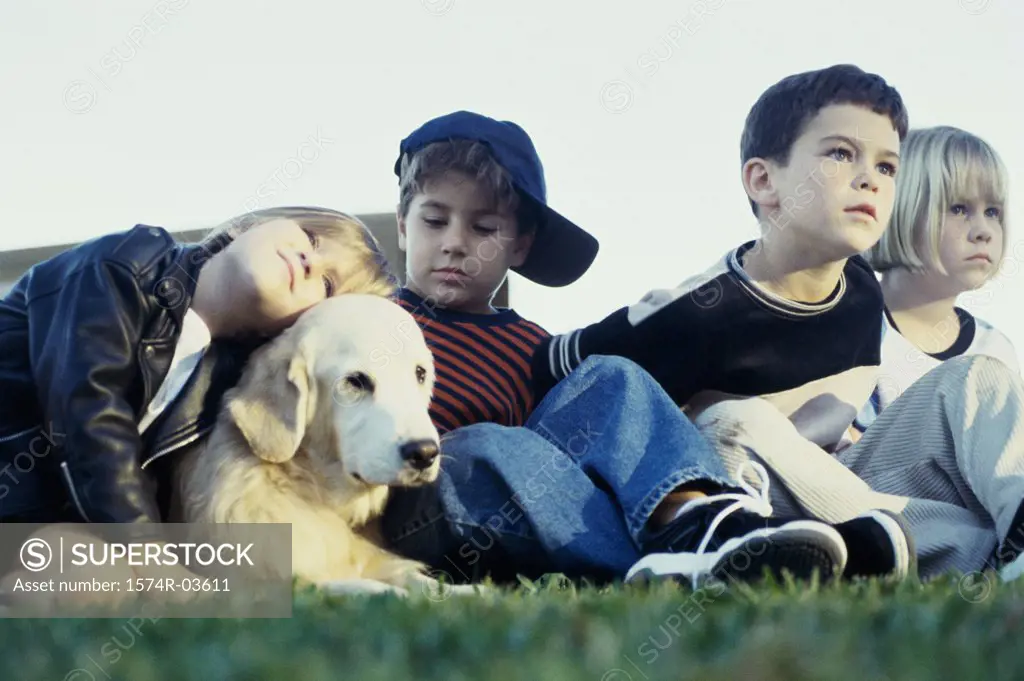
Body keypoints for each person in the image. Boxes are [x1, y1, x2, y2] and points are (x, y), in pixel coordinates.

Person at [532, 63, 1024, 582]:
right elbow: (560, 368)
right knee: (735, 422)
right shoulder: (695, 310)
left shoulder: (861, 289)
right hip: (754, 498)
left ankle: (1000, 537)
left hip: (843, 483)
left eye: (887, 167)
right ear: (763, 180)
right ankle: (965, 552)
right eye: (840, 153)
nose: (868, 179)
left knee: (978, 377)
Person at [382, 111, 897, 590]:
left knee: (611, 375)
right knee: (482, 445)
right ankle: (718, 551)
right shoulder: (369, 316)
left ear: (519, 246)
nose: (454, 242)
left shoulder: (535, 349)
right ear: (403, 225)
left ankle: (708, 528)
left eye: (483, 228)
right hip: (416, 500)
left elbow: (571, 458)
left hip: (524, 513)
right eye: (434, 220)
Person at [0, 206, 396, 527]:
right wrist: (148, 554)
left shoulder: (223, 382)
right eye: (311, 238)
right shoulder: (129, 263)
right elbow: (86, 412)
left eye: (327, 284)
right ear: (250, 226)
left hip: (42, 516)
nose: (310, 259)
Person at [852, 125, 1018, 434]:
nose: (984, 230)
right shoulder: (849, 329)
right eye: (959, 209)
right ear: (902, 210)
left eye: (993, 212)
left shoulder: (994, 350)